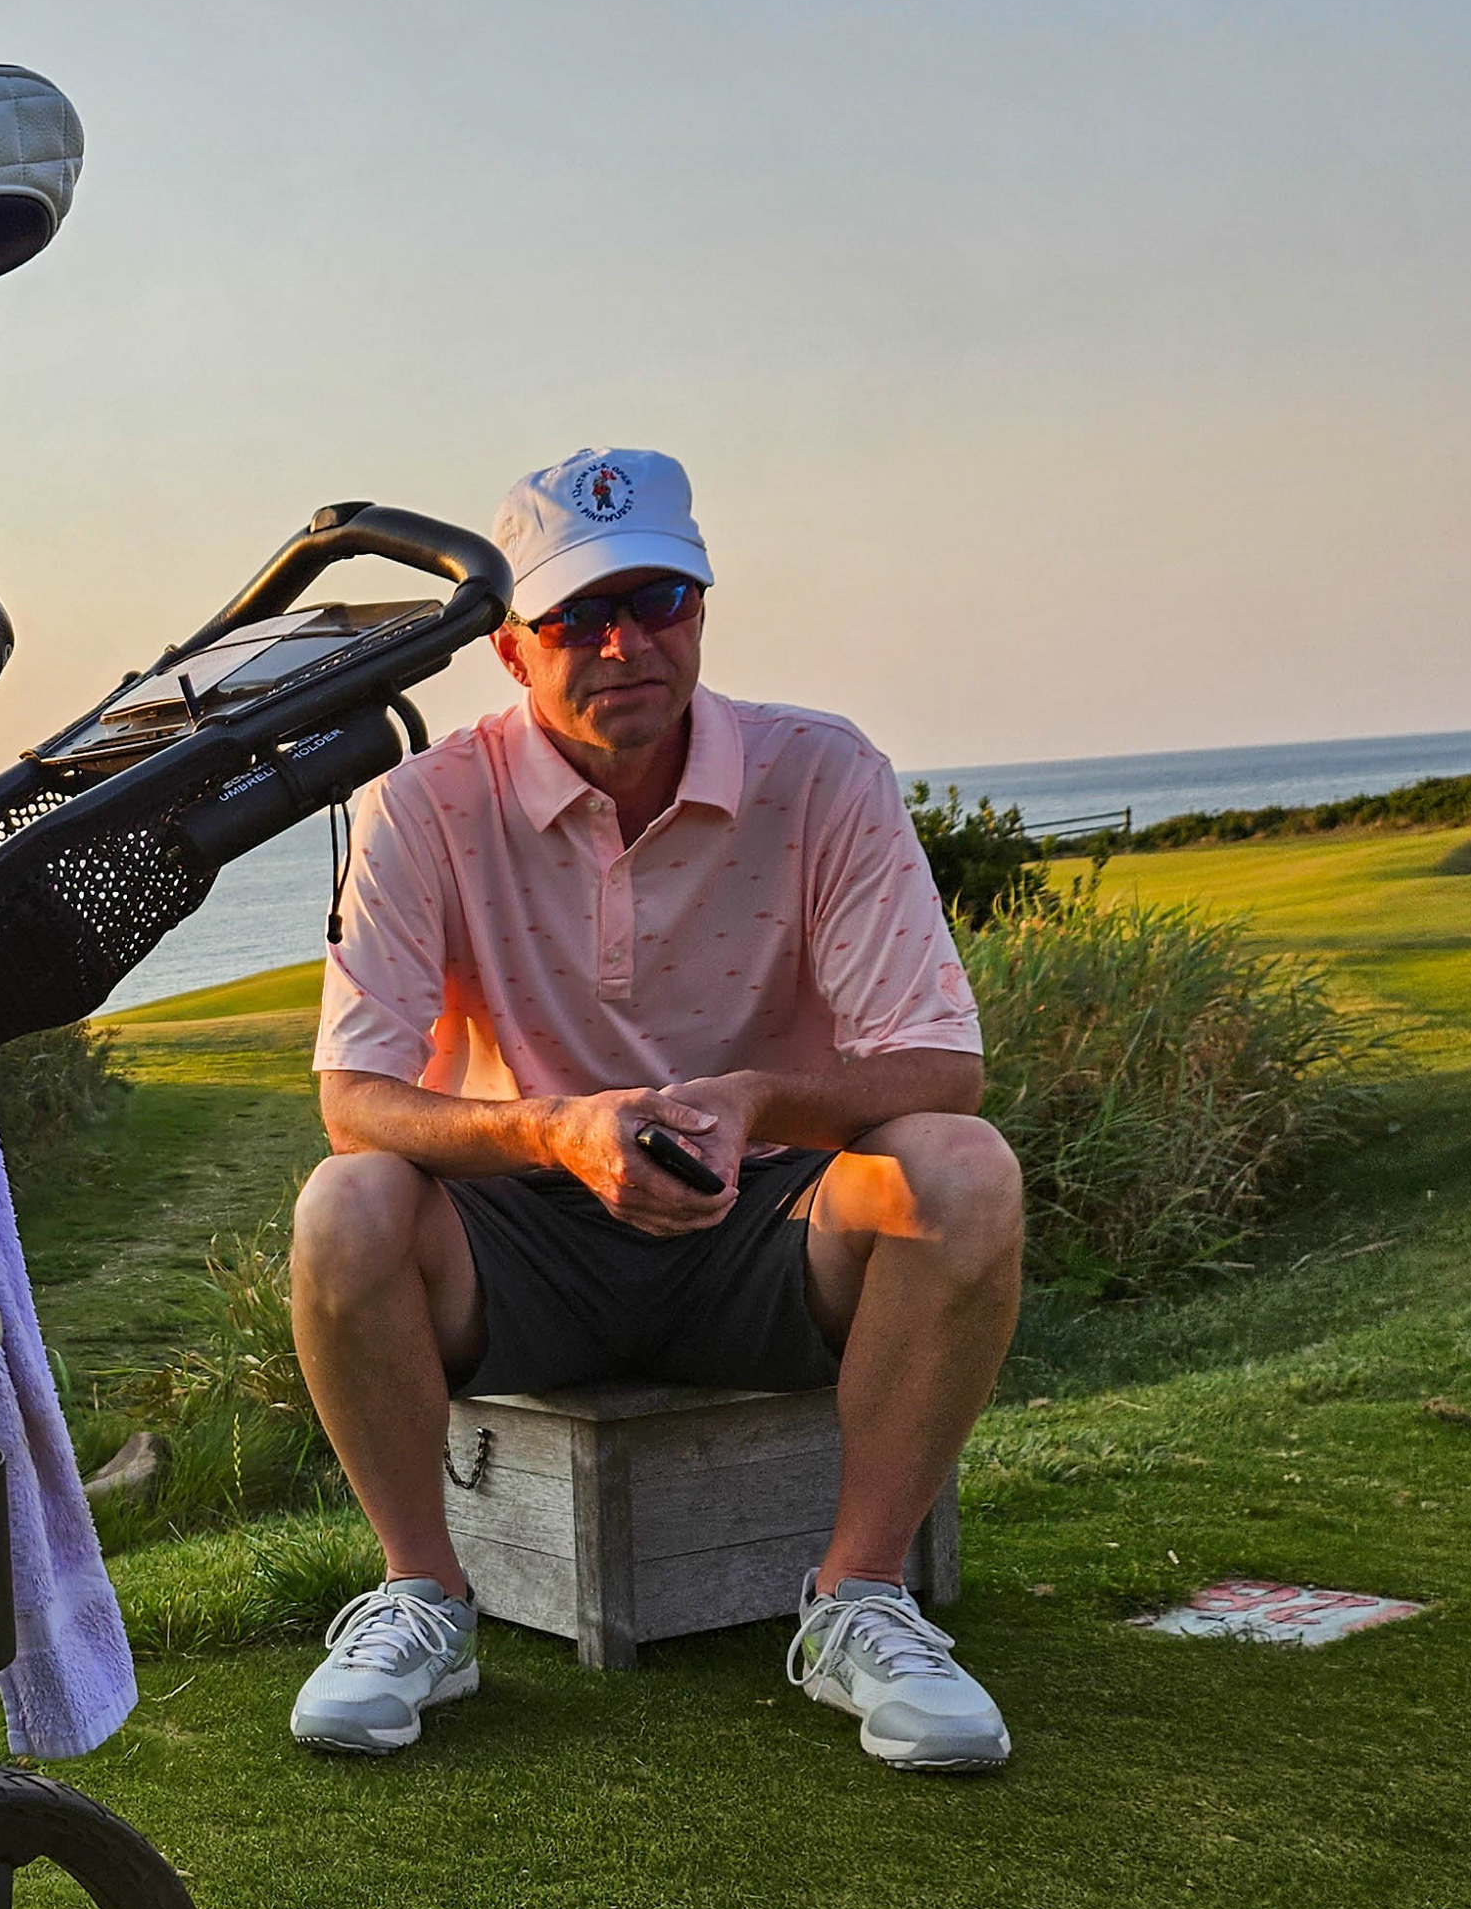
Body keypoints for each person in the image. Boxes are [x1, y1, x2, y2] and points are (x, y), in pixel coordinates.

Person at [287, 448, 1023, 1772]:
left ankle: (859, 1600)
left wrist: (756, 1097)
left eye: (659, 599)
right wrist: (554, 1132)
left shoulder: (824, 772)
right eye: (577, 616)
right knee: (348, 1203)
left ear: (701, 607)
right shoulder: (420, 805)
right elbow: (355, 1101)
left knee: (960, 1169)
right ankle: (425, 1597)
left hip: (773, 1231)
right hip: (521, 1241)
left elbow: (939, 1071)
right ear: (511, 650)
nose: (626, 643)